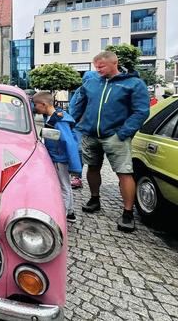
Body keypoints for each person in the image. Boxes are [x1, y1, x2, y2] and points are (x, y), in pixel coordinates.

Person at [71, 51, 149, 233]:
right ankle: (94, 198)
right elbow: (78, 106)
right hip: (91, 134)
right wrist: (71, 124)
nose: (97, 70)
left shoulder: (133, 84)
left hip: (116, 136)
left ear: (114, 63)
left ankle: (128, 213)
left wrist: (124, 133)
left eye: (101, 66)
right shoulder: (91, 83)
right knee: (92, 167)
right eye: (96, 66)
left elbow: (141, 111)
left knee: (124, 173)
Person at [33, 91, 81, 223]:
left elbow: (69, 142)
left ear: (43, 104)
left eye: (36, 105)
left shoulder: (59, 120)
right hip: (58, 156)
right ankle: (70, 213)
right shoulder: (52, 118)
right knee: (65, 185)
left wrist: (75, 165)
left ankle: (62, 217)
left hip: (59, 158)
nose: (34, 108)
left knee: (63, 187)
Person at [68, 70, 100, 189]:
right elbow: (74, 109)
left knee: (93, 155)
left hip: (99, 128)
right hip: (81, 127)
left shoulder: (102, 90)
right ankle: (76, 176)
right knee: (79, 150)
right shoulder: (80, 91)